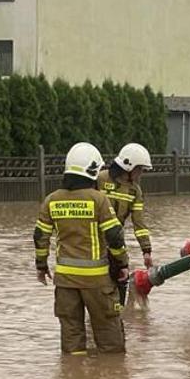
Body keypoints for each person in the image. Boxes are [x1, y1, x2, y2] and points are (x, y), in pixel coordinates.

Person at [35, 142, 130, 355]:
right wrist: (122, 264)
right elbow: (114, 236)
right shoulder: (99, 199)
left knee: (72, 340)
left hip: (65, 281)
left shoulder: (51, 200)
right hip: (97, 281)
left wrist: (41, 266)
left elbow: (40, 236)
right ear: (93, 170)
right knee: (110, 341)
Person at [96, 142, 156, 273]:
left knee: (121, 279)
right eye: (139, 169)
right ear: (128, 166)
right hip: (93, 240)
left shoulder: (135, 191)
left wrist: (146, 251)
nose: (140, 173)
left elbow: (139, 223)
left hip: (115, 242)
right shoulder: (100, 179)